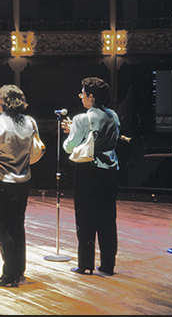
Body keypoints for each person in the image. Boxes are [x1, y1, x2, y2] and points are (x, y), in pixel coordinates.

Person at [0, 84, 41, 287]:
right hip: (23, 181)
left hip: (0, 182)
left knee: (4, 229)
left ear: (2, 102)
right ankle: (19, 271)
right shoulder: (30, 122)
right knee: (18, 226)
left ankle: (9, 276)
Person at [61, 77, 120, 276]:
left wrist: (71, 132)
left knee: (85, 218)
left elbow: (69, 146)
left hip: (88, 171)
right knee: (107, 219)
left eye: (83, 93)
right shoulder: (114, 116)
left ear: (91, 96)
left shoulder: (81, 118)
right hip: (110, 171)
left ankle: (85, 264)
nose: (81, 96)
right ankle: (107, 265)